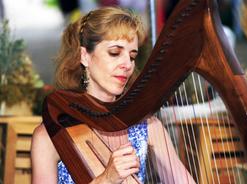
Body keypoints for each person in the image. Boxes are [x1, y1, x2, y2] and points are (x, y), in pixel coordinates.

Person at [31, 6, 195, 184]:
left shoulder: (149, 126)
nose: (127, 64)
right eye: (115, 53)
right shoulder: (49, 135)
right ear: (84, 56)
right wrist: (107, 179)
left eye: (132, 56)